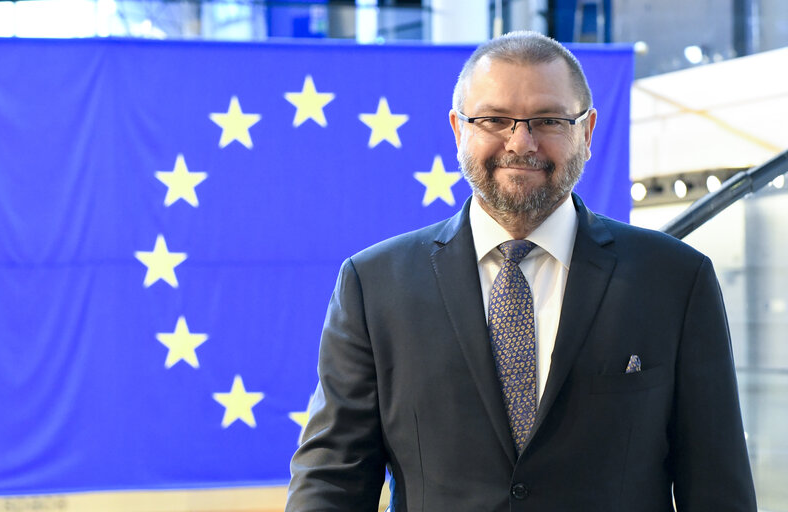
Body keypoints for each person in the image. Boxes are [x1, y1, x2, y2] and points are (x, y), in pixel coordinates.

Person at [286, 31, 757, 512]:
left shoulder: (675, 280)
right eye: (494, 119)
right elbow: (332, 482)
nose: (521, 142)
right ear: (458, 129)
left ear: (588, 132)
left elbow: (718, 490)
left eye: (549, 119)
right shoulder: (374, 285)